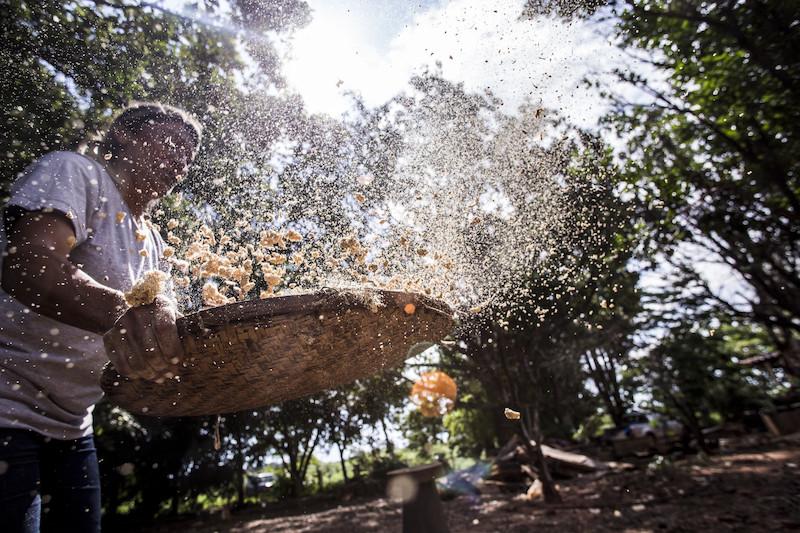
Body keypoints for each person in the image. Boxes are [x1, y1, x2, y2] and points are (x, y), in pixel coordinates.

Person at [0, 102, 203, 532]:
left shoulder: (153, 240)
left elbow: (150, 323)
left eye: (188, 158)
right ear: (125, 134)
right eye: (171, 144)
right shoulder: (76, 173)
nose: (180, 163)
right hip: (7, 405)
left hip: (74, 423)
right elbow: (28, 264)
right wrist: (121, 314)